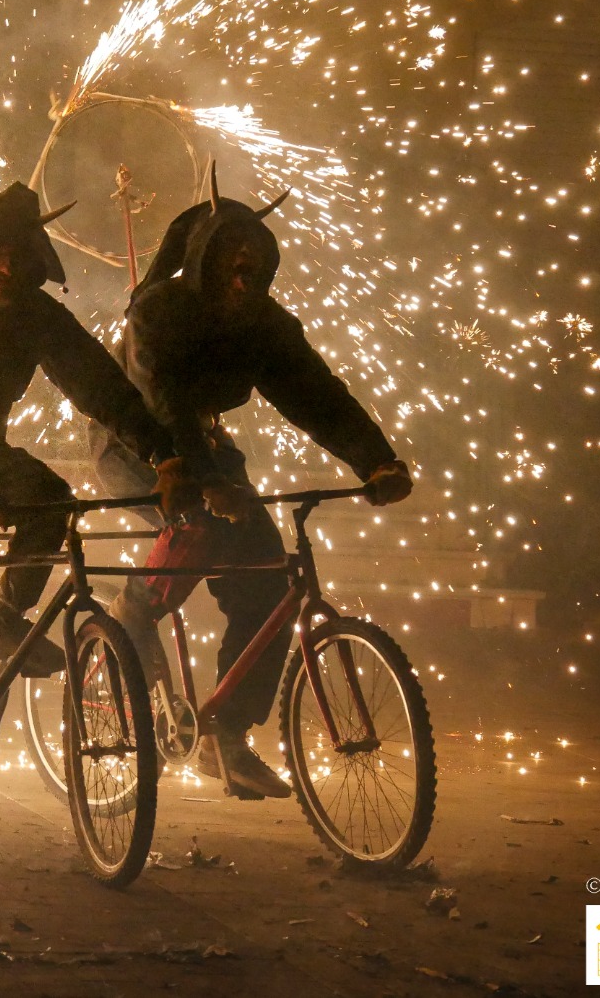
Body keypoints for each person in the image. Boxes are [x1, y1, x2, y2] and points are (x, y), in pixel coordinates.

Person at [91, 164, 413, 800]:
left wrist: (376, 460)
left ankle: (228, 736)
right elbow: (163, 401)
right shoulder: (160, 310)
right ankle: (136, 609)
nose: (246, 266)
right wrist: (201, 478)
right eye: (233, 254)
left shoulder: (264, 323)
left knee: (267, 583)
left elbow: (317, 394)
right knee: (202, 524)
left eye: (256, 258)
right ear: (207, 257)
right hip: (141, 440)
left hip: (203, 446)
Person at [0, 179, 195, 806]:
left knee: (54, 503)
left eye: (21, 258)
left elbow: (99, 385)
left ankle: (3, 621)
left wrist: (164, 454)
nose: (6, 269)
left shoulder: (36, 316)